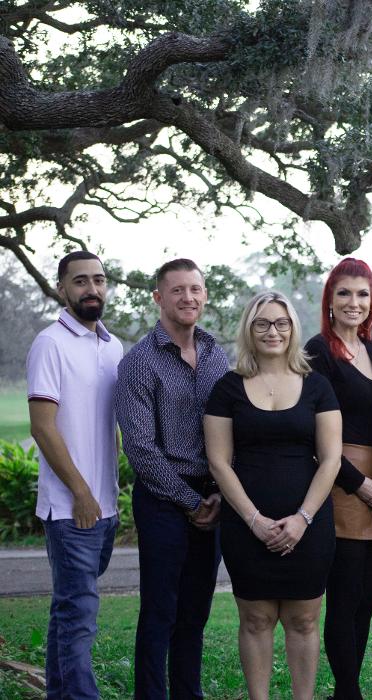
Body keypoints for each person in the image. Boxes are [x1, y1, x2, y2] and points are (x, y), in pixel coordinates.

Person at [203, 291, 341, 700]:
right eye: (262, 323)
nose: (272, 331)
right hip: (246, 525)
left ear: (293, 328)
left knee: (304, 621)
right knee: (256, 620)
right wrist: (254, 520)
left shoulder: (317, 386)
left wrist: (302, 518)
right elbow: (219, 463)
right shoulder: (227, 388)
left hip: (309, 525)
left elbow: (331, 459)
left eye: (281, 323)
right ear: (249, 329)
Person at [115, 258, 230, 699]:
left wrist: (218, 494)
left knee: (195, 612)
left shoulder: (217, 354)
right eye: (177, 290)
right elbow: (140, 449)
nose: (188, 297)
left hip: (213, 497)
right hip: (164, 501)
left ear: (205, 295)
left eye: (195, 289)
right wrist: (190, 501)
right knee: (160, 611)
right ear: (158, 297)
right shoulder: (139, 362)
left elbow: (231, 426)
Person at [28, 250, 123, 699]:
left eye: (99, 280)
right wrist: (82, 493)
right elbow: (43, 427)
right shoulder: (50, 343)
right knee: (80, 615)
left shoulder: (113, 346)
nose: (92, 288)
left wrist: (109, 493)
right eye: (80, 281)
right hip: (72, 509)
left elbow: (110, 424)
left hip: (105, 506)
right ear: (62, 289)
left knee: (68, 612)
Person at [304, 258, 372, 700]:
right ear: (330, 300)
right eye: (344, 293)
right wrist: (358, 482)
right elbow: (314, 429)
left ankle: (345, 691)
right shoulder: (318, 350)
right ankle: (349, 691)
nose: (353, 302)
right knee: (345, 596)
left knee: (370, 593)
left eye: (362, 294)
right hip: (341, 480)